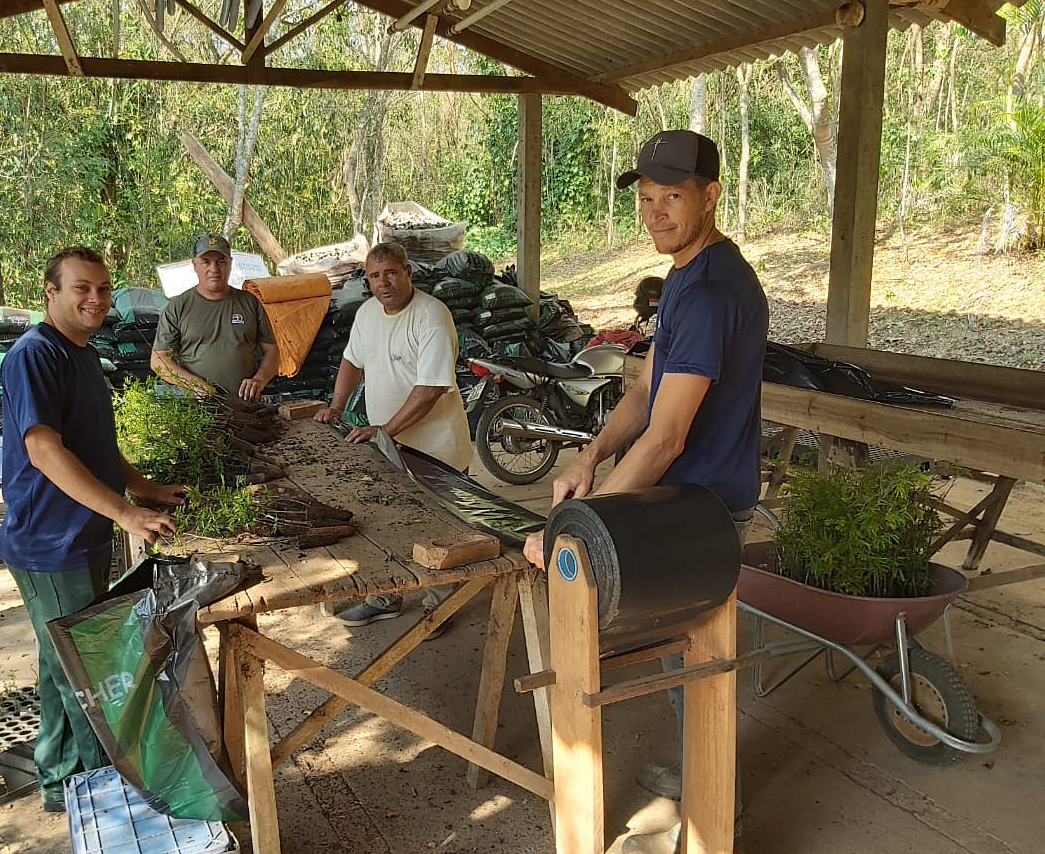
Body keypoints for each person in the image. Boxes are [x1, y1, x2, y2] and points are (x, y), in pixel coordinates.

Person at [522, 130, 768, 854]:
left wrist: (575, 522)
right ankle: (701, 773)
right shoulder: (689, 275)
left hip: (702, 509)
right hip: (678, 502)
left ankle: (717, 803)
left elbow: (665, 439)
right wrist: (593, 454)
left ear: (711, 197)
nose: (656, 212)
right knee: (677, 658)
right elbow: (645, 386)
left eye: (674, 198)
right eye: (647, 198)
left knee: (696, 657)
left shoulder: (715, 291)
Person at [0, 246, 185, 813]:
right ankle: (112, 796)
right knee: (88, 676)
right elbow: (44, 451)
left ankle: (57, 782)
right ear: (50, 293)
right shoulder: (35, 356)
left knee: (61, 660)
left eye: (103, 288)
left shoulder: (82, 353)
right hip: (51, 542)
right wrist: (127, 514)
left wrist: (143, 488)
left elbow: (97, 448)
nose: (96, 299)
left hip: (84, 535)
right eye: (82, 288)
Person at [314, 241, 474, 631]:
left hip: (436, 451)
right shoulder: (368, 313)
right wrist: (336, 406)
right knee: (387, 522)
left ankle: (440, 604)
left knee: (438, 531)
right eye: (374, 275)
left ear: (407, 273)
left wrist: (383, 430)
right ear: (367, 281)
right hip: (388, 448)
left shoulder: (432, 316)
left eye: (390, 273)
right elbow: (352, 360)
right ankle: (386, 595)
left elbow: (430, 390)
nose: (383, 282)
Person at [151, 233, 280, 401]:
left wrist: (259, 380)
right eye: (206, 262)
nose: (214, 268)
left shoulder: (249, 302)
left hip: (245, 406)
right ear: (195, 264)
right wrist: (194, 384)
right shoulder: (178, 306)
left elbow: (272, 351)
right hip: (196, 408)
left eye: (221, 261)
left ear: (230, 264)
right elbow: (159, 359)